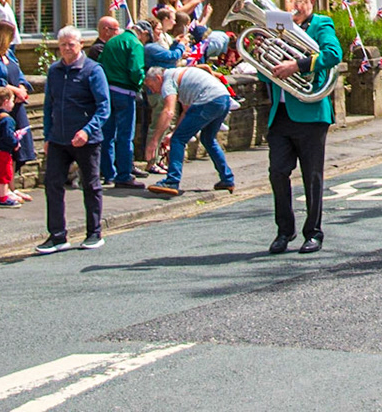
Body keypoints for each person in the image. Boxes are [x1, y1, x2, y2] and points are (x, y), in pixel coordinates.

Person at [267, 0, 343, 254]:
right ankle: (284, 231)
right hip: (281, 112)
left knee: (312, 176)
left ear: (311, 1)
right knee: (277, 172)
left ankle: (313, 232)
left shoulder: (321, 24)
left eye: (301, 0)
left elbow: (334, 54)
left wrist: (296, 65)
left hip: (310, 113)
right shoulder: (279, 26)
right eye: (291, 1)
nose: (296, 6)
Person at [36, 24, 109, 255]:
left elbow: (104, 107)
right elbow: (49, 106)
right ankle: (57, 236)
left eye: (71, 44)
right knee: (53, 185)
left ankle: (94, 232)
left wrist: (87, 131)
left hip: (86, 139)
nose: (67, 49)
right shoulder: (54, 71)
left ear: (81, 45)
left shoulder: (93, 70)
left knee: (91, 184)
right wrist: (48, 136)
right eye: (62, 45)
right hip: (59, 139)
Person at [143, 64, 238, 196]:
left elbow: (168, 112)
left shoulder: (167, 81)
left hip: (208, 100)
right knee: (207, 139)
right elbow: (186, 111)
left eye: (150, 86)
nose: (152, 91)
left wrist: (154, 141)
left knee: (178, 140)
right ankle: (227, 179)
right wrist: (173, 133)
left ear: (158, 78)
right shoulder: (179, 76)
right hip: (223, 99)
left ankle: (172, 181)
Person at [0, 21, 35, 201]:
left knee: (19, 145)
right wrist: (14, 90)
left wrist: (22, 87)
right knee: (6, 146)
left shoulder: (10, 54)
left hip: (16, 104)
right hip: (3, 105)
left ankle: (12, 185)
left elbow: (20, 74)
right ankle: (5, 189)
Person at [92, 16, 146, 189]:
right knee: (124, 136)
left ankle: (109, 175)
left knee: (107, 134)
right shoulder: (135, 44)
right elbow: (136, 71)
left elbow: (99, 65)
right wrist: (139, 85)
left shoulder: (112, 43)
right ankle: (123, 175)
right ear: (143, 33)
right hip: (125, 93)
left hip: (108, 92)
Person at [0, 88, 27, 206]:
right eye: (12, 100)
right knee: (4, 174)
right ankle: (3, 197)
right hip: (3, 151)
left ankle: (1, 195)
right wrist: (16, 142)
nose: (13, 104)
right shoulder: (7, 119)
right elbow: (8, 136)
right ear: (5, 102)